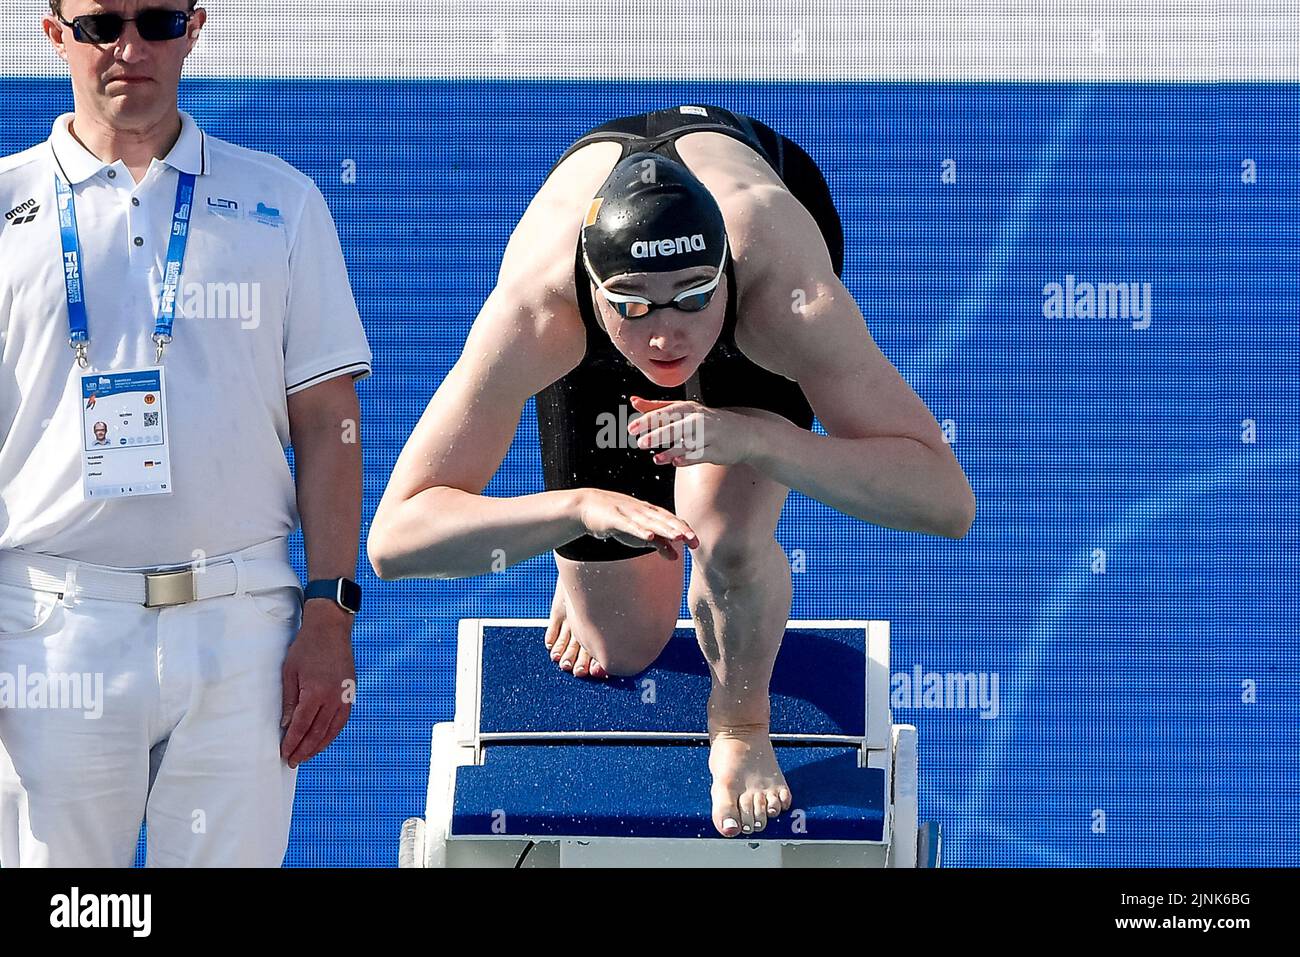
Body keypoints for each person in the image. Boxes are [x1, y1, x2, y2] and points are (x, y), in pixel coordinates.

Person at [368, 104, 975, 839]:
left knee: (727, 537)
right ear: (593, 291)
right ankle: (589, 559)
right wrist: (578, 509)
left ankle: (742, 722)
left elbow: (945, 499)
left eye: (692, 298)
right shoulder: (540, 314)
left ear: (724, 274)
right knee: (623, 643)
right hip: (593, 302)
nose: (665, 332)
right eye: (635, 307)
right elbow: (394, 540)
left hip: (759, 254)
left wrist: (756, 438)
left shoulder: (785, 297)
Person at [0, 0, 371, 866]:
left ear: (195, 28)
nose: (130, 47)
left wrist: (330, 609)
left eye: (158, 20)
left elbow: (329, 425)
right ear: (54, 34)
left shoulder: (282, 201)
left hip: (241, 624)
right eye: (100, 24)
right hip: (52, 625)